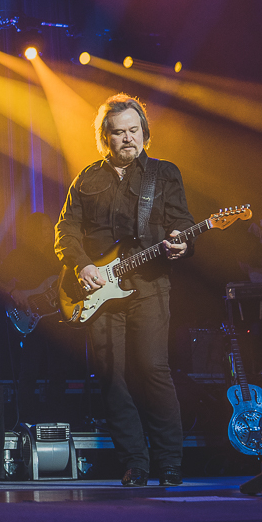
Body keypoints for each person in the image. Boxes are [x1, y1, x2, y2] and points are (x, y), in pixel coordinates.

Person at [56, 94, 193, 486]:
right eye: (119, 133)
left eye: (134, 130)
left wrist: (183, 242)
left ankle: (169, 462)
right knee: (112, 376)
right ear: (105, 138)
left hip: (149, 284)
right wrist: (81, 265)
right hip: (98, 293)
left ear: (144, 133)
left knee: (153, 370)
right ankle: (135, 462)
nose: (128, 138)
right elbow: (65, 230)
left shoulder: (163, 174)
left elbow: (181, 223)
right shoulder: (87, 178)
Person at [0, 211, 71, 424]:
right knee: (28, 373)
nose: (48, 233)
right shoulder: (19, 255)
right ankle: (24, 420)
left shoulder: (60, 255)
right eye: (43, 229)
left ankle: (57, 420)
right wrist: (12, 292)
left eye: (49, 229)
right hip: (30, 320)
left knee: (58, 372)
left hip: (57, 320)